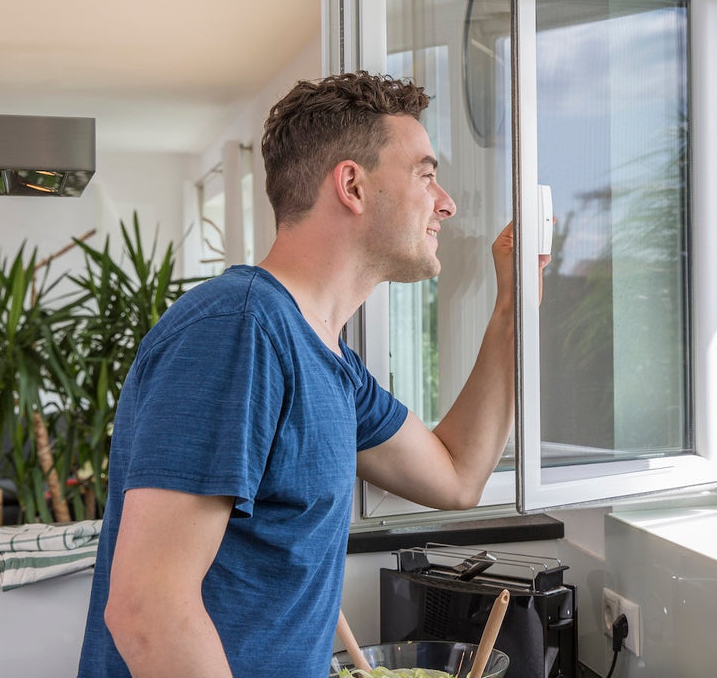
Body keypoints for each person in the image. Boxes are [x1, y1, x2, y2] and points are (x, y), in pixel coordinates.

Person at [76, 71, 546, 678]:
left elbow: (457, 475)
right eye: (425, 175)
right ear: (352, 185)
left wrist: (513, 305)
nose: (446, 202)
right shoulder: (239, 329)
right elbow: (148, 610)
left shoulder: (329, 362)